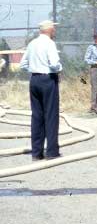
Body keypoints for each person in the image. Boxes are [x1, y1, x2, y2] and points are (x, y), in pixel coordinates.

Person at [19, 20, 63, 160]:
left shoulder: (32, 43)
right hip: (48, 80)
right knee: (50, 116)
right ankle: (52, 152)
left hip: (35, 80)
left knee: (37, 116)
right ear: (49, 29)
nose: (55, 31)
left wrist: (33, 69)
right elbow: (55, 64)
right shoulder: (50, 43)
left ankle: (36, 153)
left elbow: (23, 64)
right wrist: (59, 69)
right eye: (54, 28)